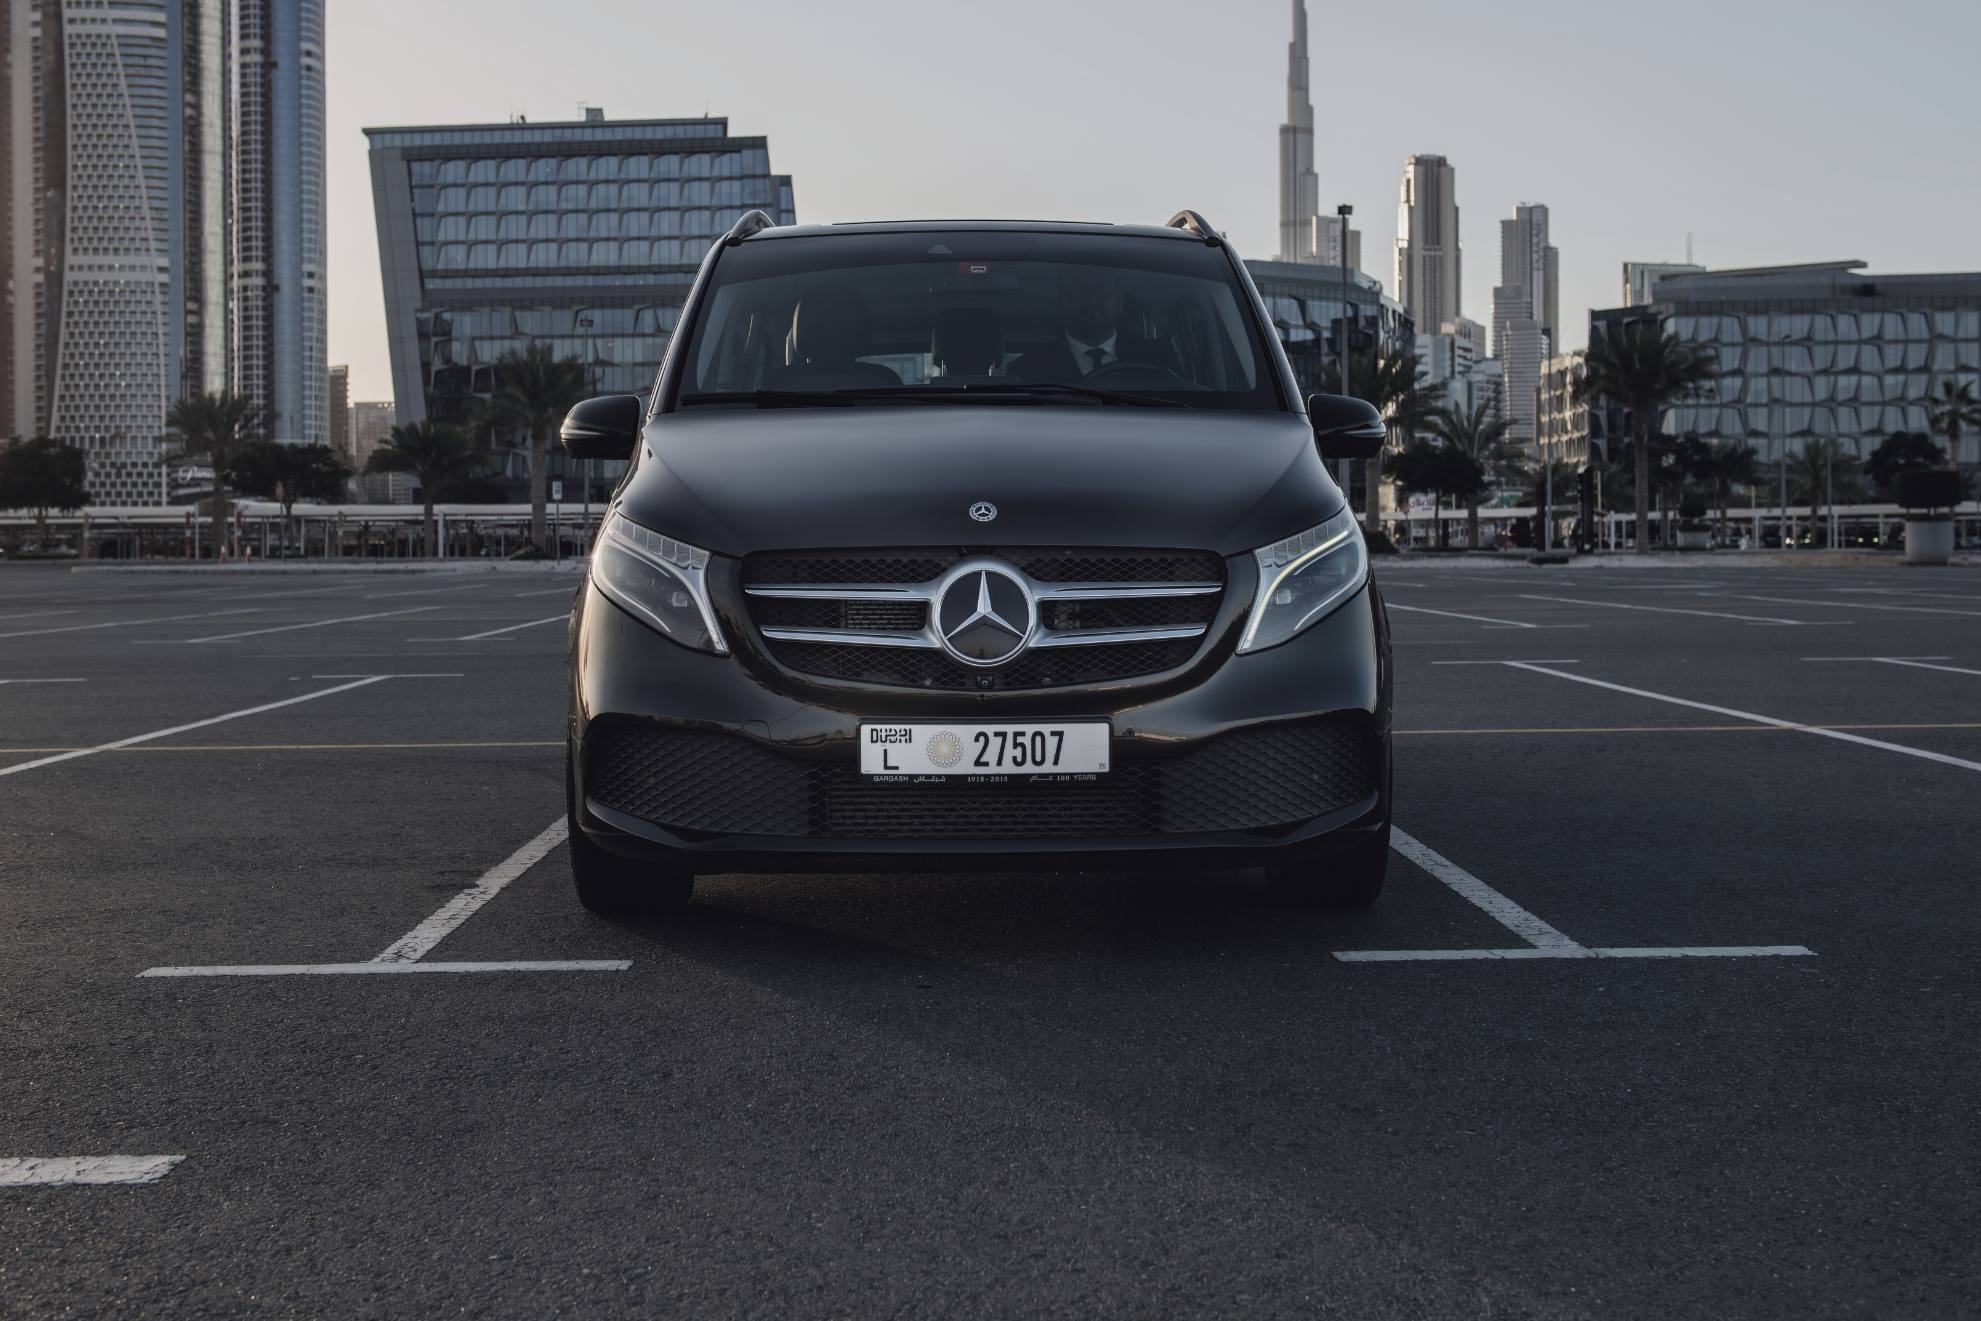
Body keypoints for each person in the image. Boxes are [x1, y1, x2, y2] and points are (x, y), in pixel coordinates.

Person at [1007, 271, 1126, 381]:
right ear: (1060, 304)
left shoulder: (1143, 357)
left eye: (1102, 291)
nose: (1092, 301)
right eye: (1079, 292)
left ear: (1120, 302)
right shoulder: (1026, 369)